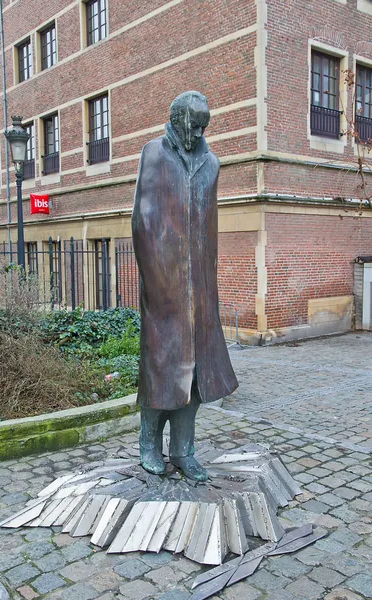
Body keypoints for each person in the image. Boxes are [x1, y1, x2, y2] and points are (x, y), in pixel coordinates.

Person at [132, 91, 238, 482]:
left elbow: (209, 227)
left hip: (201, 292)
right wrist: (155, 283)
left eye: (202, 126)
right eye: (192, 124)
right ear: (175, 119)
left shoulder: (211, 164)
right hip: (164, 289)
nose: (196, 132)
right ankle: (148, 445)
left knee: (196, 378)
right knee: (162, 371)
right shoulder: (153, 154)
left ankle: (184, 450)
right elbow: (141, 222)